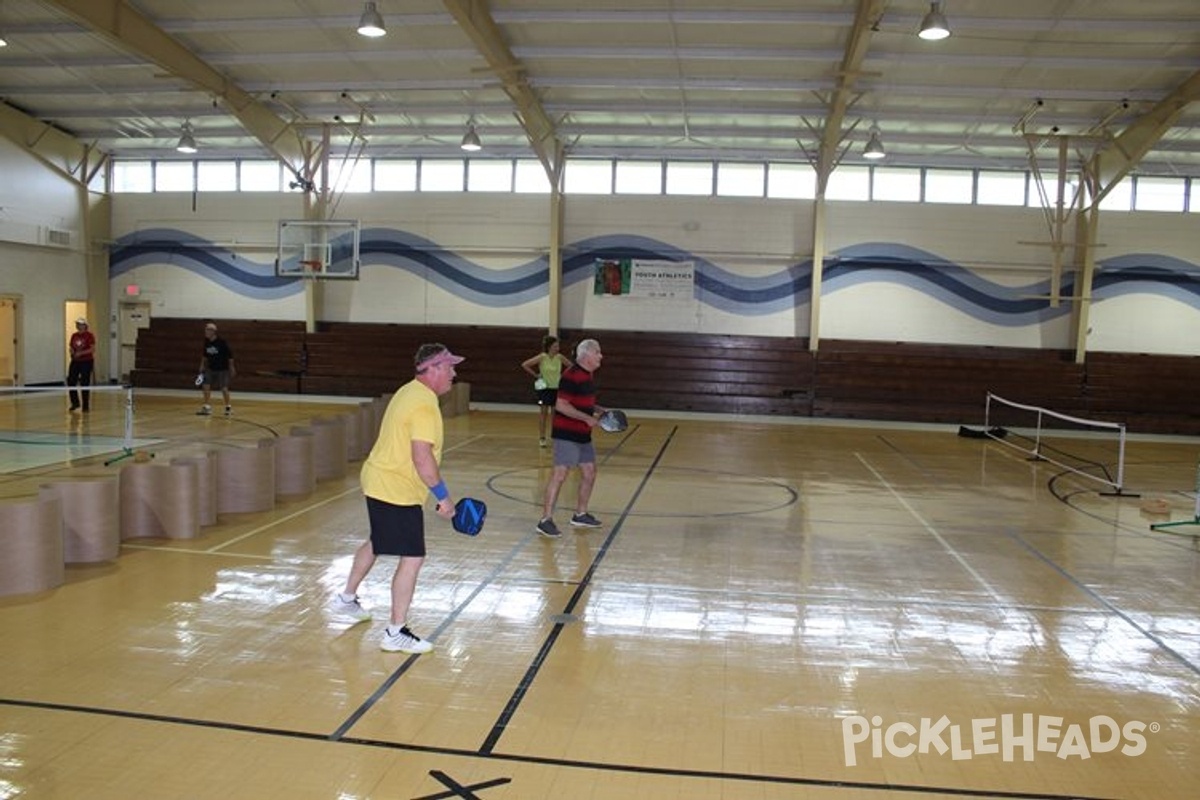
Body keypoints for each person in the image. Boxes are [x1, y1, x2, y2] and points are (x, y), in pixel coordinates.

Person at [331, 343, 464, 654]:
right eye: (449, 367)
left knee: (378, 540)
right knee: (413, 557)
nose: (454, 373)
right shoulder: (424, 405)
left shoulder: (409, 391)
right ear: (432, 369)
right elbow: (422, 456)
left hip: (379, 479)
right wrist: (443, 497)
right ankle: (395, 631)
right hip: (395, 488)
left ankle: (347, 598)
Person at [536, 338, 606, 538]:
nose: (601, 356)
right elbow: (561, 405)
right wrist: (587, 418)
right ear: (586, 355)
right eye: (598, 352)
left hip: (583, 434)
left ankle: (580, 514)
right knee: (559, 475)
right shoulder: (571, 375)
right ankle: (545, 520)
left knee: (590, 472)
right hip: (567, 433)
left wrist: (601, 410)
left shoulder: (587, 376)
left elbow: (583, 403)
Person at [520, 334, 573, 447]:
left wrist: (563, 376)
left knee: (555, 415)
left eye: (558, 346)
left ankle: (555, 437)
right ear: (549, 347)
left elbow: (571, 366)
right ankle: (542, 438)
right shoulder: (542, 357)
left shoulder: (560, 357)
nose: (557, 348)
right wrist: (536, 375)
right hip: (544, 388)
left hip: (557, 389)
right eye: (555, 346)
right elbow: (525, 365)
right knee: (543, 413)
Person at [197, 320, 235, 416]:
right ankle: (207, 407)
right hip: (210, 368)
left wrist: (232, 368)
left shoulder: (221, 342)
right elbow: (204, 355)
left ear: (212, 331)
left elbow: (230, 356)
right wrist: (202, 365)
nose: (205, 332)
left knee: (223, 388)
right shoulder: (206, 342)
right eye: (205, 330)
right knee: (205, 385)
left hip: (222, 369)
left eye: (207, 330)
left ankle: (228, 407)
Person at [67, 317, 96, 413]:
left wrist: (81, 353)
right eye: (77, 324)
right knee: (71, 381)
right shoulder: (74, 335)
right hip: (75, 361)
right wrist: (72, 352)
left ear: (85, 326)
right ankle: (75, 403)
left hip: (86, 361)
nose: (78, 326)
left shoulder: (89, 335)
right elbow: (71, 347)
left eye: (80, 324)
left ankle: (85, 405)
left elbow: (92, 349)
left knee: (85, 382)